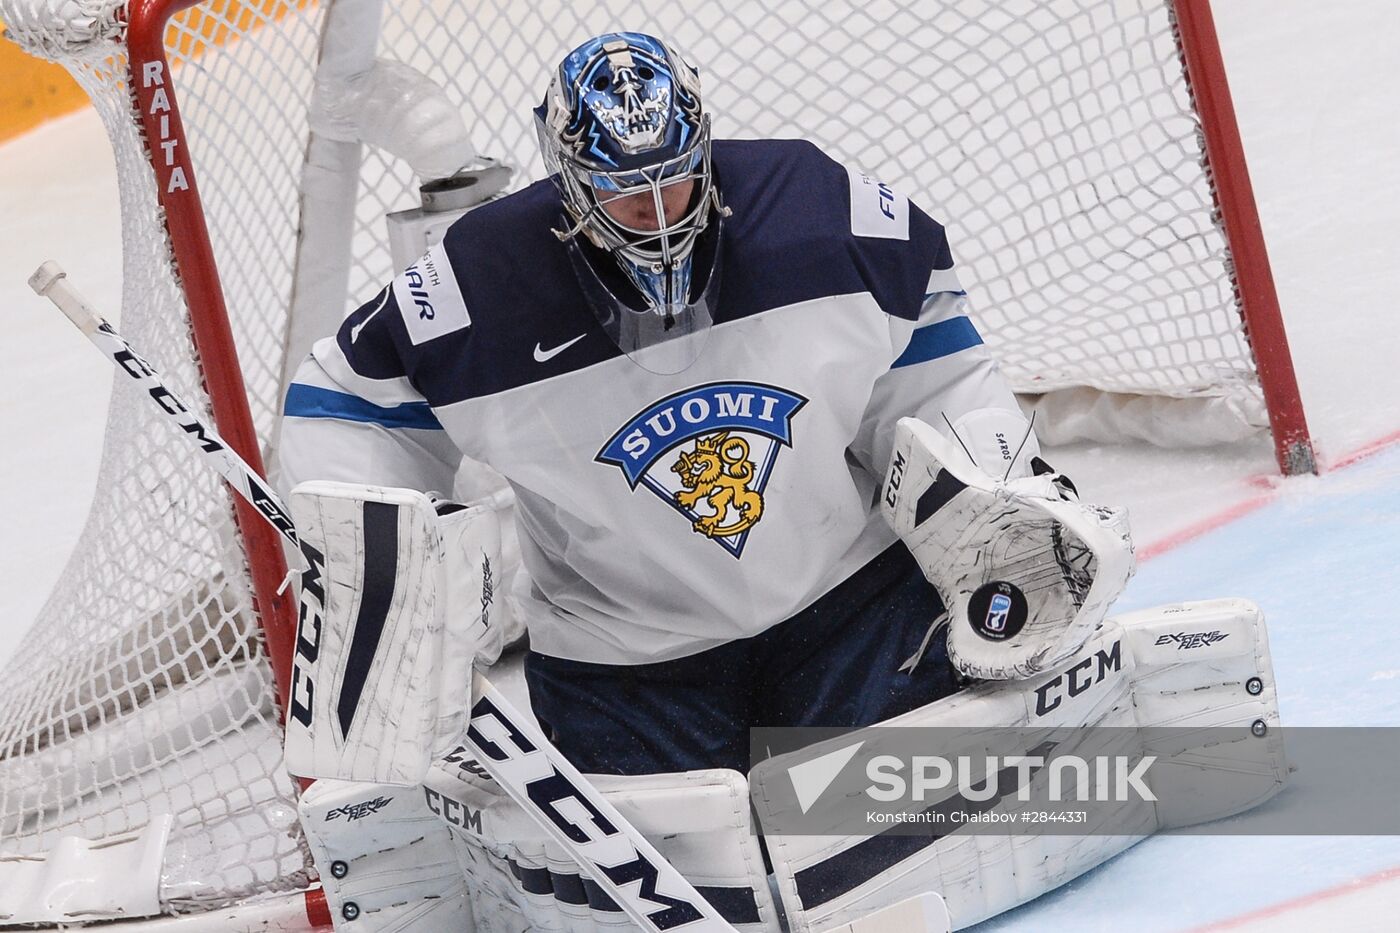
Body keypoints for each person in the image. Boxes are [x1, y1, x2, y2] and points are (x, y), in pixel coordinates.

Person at [278, 32, 1051, 777]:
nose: (657, 205)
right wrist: (382, 563)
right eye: (622, 187)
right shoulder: (479, 282)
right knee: (687, 878)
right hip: (621, 662)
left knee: (887, 829)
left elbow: (931, 342)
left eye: (675, 174)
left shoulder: (817, 208)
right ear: (568, 175)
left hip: (845, 605)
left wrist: (992, 490)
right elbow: (342, 399)